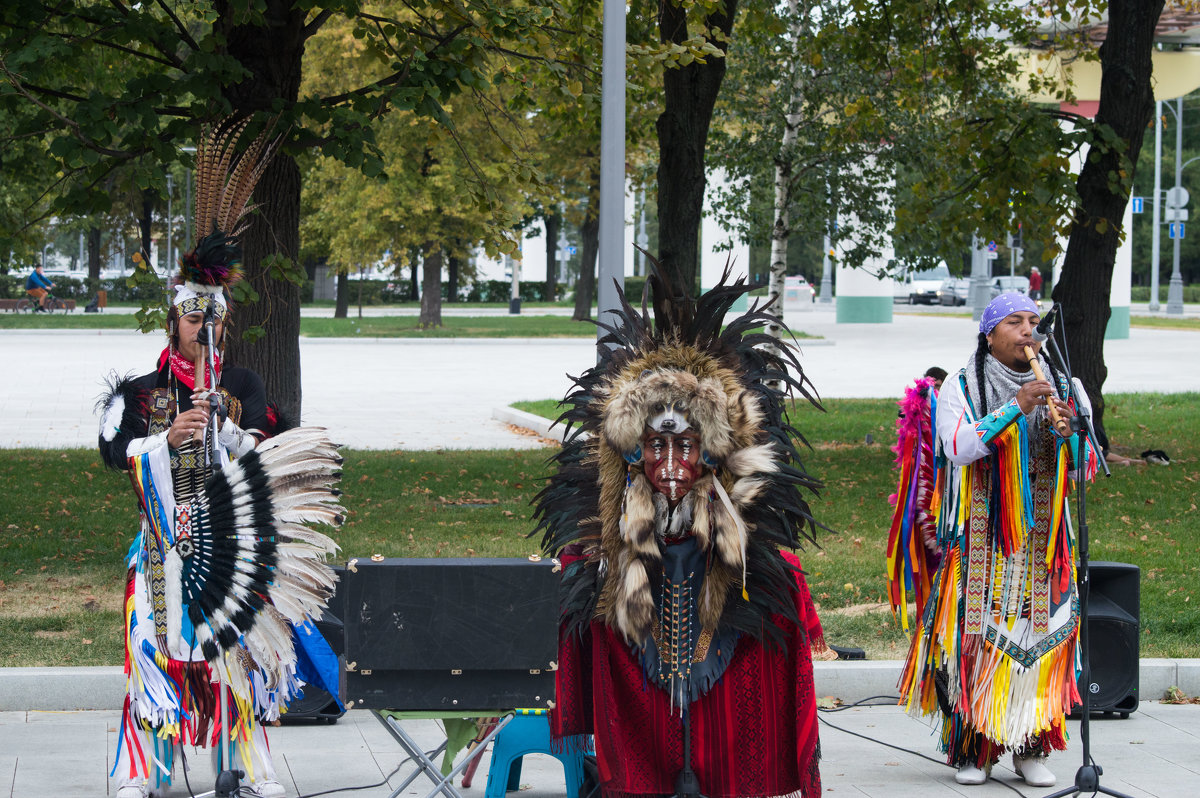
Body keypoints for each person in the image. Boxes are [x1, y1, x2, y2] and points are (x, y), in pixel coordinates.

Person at [97, 121, 343, 798]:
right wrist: (161, 441)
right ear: (172, 318)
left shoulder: (242, 387)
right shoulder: (145, 392)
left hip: (226, 545)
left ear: (224, 322)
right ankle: (146, 769)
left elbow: (272, 453)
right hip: (158, 547)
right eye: (191, 315)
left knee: (232, 660)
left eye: (213, 317)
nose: (202, 327)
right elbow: (112, 451)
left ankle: (241, 769)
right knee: (153, 655)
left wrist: (234, 440)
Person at [537, 273, 826, 798]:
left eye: (686, 448)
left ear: (711, 452)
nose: (669, 465)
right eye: (655, 447)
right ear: (632, 452)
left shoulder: (724, 503)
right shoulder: (623, 505)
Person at [898, 293, 1096, 788]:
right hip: (983, 539)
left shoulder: (1066, 385)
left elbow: (1088, 463)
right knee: (975, 641)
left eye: (1033, 322)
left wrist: (1072, 433)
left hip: (1045, 544)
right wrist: (1016, 406)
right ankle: (973, 751)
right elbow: (959, 448)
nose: (1028, 330)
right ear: (990, 335)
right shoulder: (961, 386)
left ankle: (1031, 747)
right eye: (1015, 322)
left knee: (1043, 640)